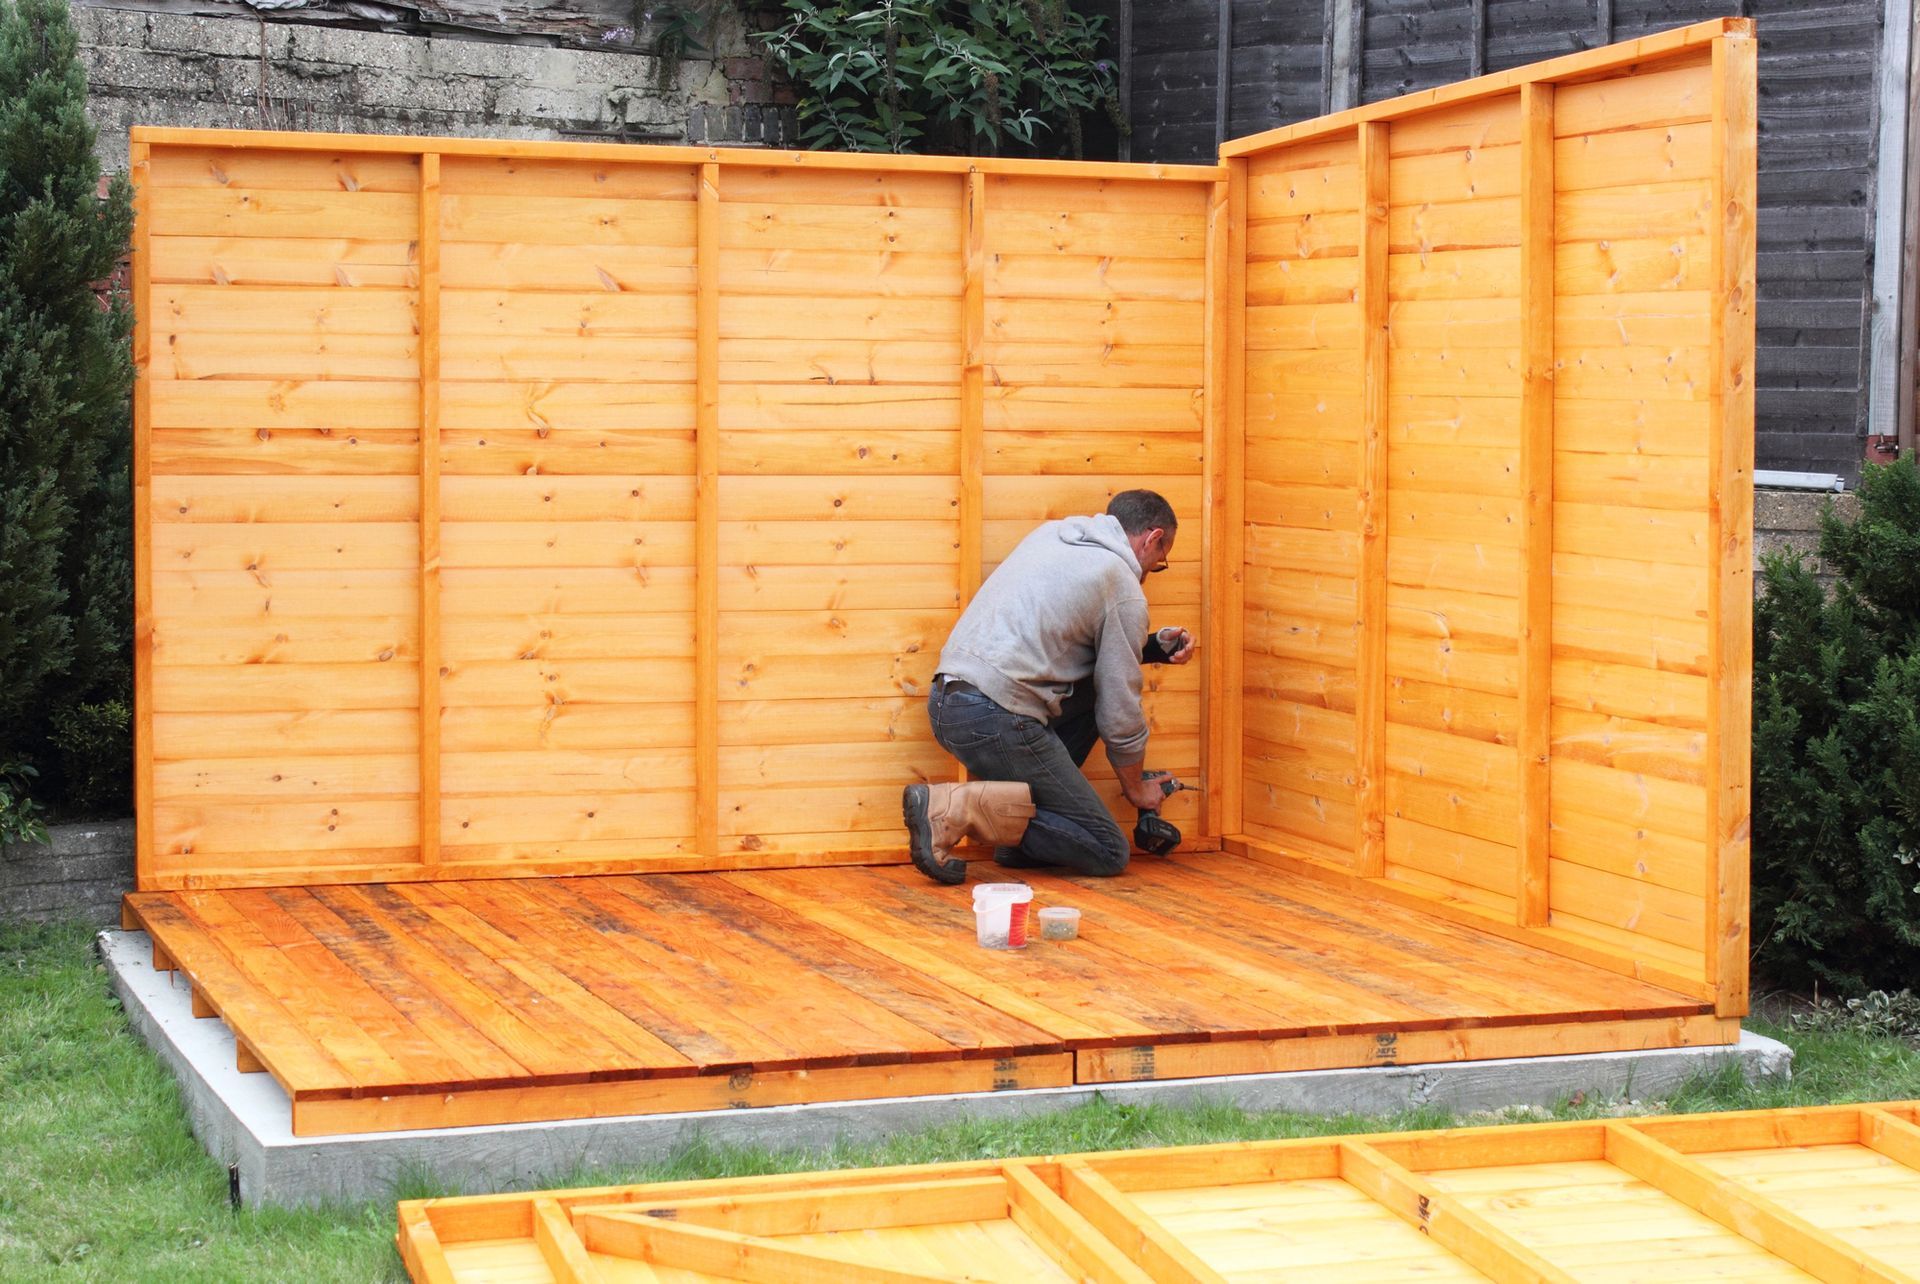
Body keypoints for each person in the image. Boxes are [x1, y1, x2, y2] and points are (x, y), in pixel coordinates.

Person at [901, 489, 1195, 885]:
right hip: (998, 716)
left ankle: (1015, 836)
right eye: (1158, 563)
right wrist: (1135, 789)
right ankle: (959, 807)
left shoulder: (1053, 535)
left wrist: (1151, 646)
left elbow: (1061, 646)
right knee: (1108, 850)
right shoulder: (1121, 585)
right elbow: (1119, 708)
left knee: (1092, 691)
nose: (1147, 573)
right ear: (1153, 538)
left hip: (949, 703)